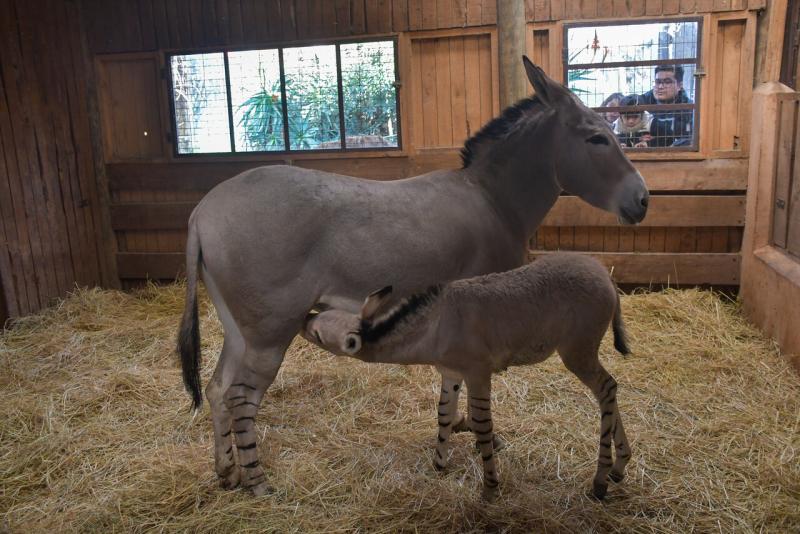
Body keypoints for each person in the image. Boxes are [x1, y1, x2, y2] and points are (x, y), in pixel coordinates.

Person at [639, 65, 693, 147]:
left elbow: (688, 138)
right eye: (658, 82)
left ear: (679, 85)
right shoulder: (641, 102)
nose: (660, 87)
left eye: (667, 82)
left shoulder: (688, 108)